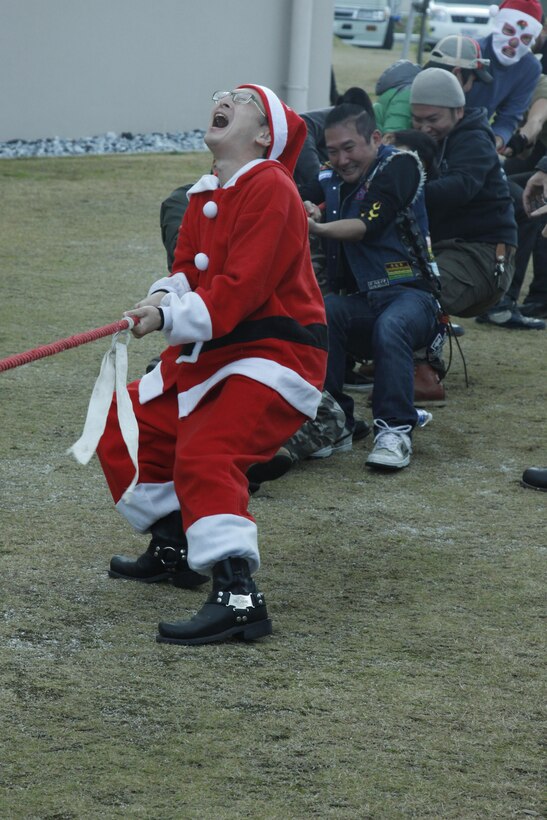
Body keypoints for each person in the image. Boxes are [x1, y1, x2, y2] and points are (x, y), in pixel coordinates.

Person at [91, 84, 328, 646]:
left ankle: (240, 597)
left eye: (241, 98)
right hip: (213, 353)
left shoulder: (272, 186)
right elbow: (184, 274)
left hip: (273, 353)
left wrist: (170, 320)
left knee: (208, 451)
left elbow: (241, 288)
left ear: (266, 133)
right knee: (126, 424)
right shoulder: (204, 194)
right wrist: (157, 302)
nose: (223, 99)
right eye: (223, 94)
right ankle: (175, 547)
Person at [304, 105, 442, 470]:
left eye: (349, 148)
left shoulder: (401, 165)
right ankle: (331, 423)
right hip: (363, 301)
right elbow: (301, 197)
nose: (341, 159)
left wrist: (315, 228)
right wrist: (308, 207)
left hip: (415, 297)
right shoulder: (327, 177)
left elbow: (369, 225)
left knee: (391, 324)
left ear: (376, 139)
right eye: (332, 151)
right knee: (326, 311)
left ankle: (395, 429)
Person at [410, 69, 518, 319]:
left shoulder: (474, 139)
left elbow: (459, 188)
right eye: (416, 119)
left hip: (482, 253)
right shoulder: (428, 139)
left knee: (414, 297)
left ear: (458, 111)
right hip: (442, 249)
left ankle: (416, 358)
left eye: (433, 119)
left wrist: (400, 192)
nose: (424, 128)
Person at [373, 35, 493, 135]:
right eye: (472, 80)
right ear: (457, 73)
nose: (470, 89)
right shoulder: (412, 93)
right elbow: (393, 142)